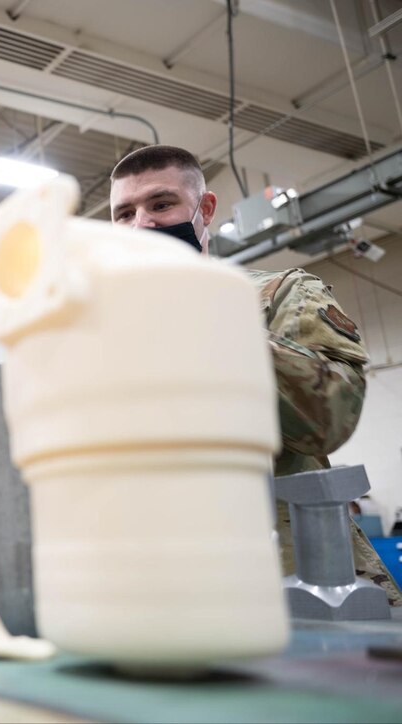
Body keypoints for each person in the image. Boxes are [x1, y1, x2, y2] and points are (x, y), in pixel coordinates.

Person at [109, 144, 401, 606]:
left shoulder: (279, 293)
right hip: (159, 585)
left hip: (296, 580)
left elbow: (329, 417)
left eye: (161, 204)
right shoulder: (101, 332)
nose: (141, 223)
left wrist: (202, 312)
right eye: (124, 214)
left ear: (204, 209)